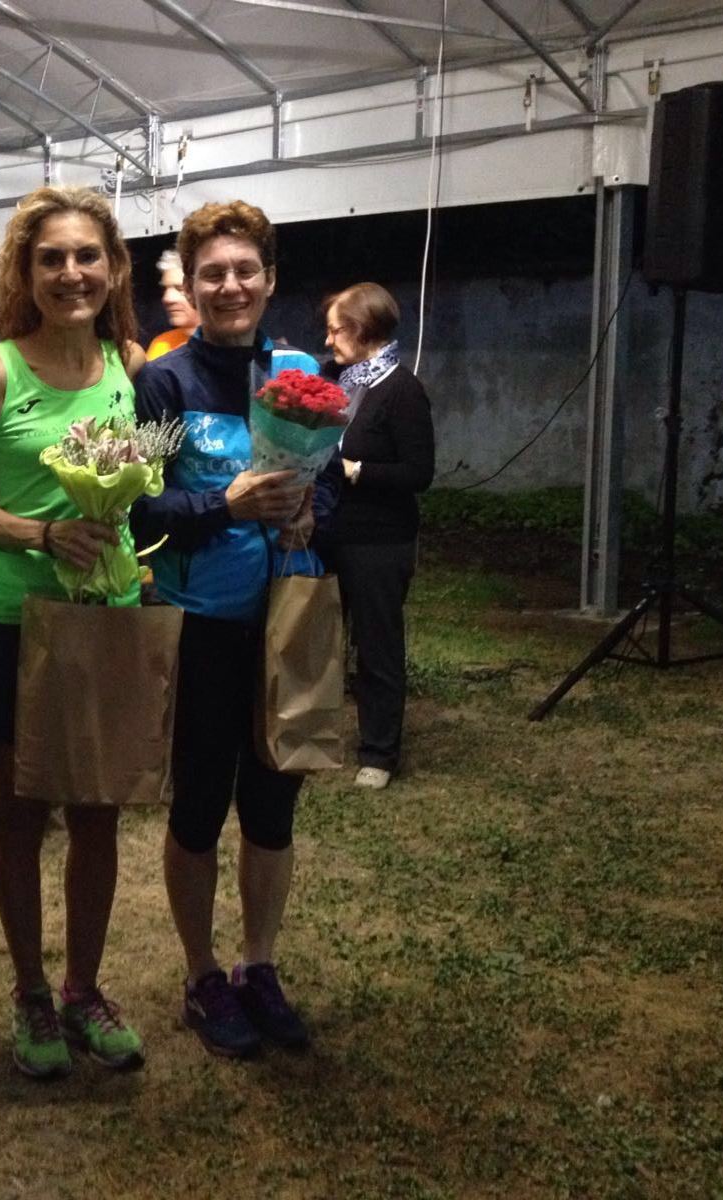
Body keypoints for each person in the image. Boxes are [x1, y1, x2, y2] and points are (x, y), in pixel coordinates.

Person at [131, 199, 333, 1059]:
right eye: (211, 272)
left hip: (287, 619)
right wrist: (225, 504)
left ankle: (260, 965)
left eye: (245, 270)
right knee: (201, 805)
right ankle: (202, 974)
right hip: (203, 627)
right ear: (189, 284)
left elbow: (330, 485)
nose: (230, 286)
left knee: (274, 805)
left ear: (270, 279)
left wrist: (313, 513)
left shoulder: (298, 370)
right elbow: (139, 512)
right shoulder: (165, 383)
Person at [0, 185, 147, 1080]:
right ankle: (30, 990)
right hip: (21, 622)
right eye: (51, 259)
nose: (72, 273)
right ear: (24, 274)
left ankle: (84, 988)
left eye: (87, 256)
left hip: (109, 619)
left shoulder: (128, 363)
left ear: (114, 268)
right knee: (23, 814)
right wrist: (40, 533)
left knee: (99, 814)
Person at [319, 283, 435, 789]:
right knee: (319, 639)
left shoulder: (402, 390)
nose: (328, 340)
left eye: (335, 330)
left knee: (376, 646)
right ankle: (311, 734)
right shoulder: (335, 381)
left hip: (380, 541)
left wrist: (357, 470)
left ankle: (379, 752)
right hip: (330, 532)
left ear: (362, 329)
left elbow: (419, 472)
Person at [145, 248, 197, 360]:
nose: (167, 298)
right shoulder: (161, 345)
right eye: (165, 289)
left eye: (181, 289)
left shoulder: (229, 343)